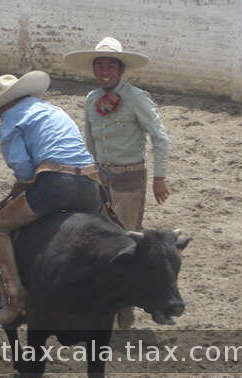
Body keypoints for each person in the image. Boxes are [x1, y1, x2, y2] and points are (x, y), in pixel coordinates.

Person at [0, 71, 102, 326]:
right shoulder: (52, 110)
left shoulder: (10, 120)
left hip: (57, 185)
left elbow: (23, 168)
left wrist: (21, 186)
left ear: (1, 105)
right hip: (91, 185)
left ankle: (14, 299)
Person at [64, 37, 169, 327]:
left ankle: (126, 309)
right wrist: (89, 174)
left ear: (121, 70)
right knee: (97, 240)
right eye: (100, 66)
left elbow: (160, 138)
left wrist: (159, 177)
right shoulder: (90, 100)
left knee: (125, 242)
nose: (104, 72)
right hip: (101, 178)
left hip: (130, 180)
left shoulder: (136, 98)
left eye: (110, 66)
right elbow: (89, 142)